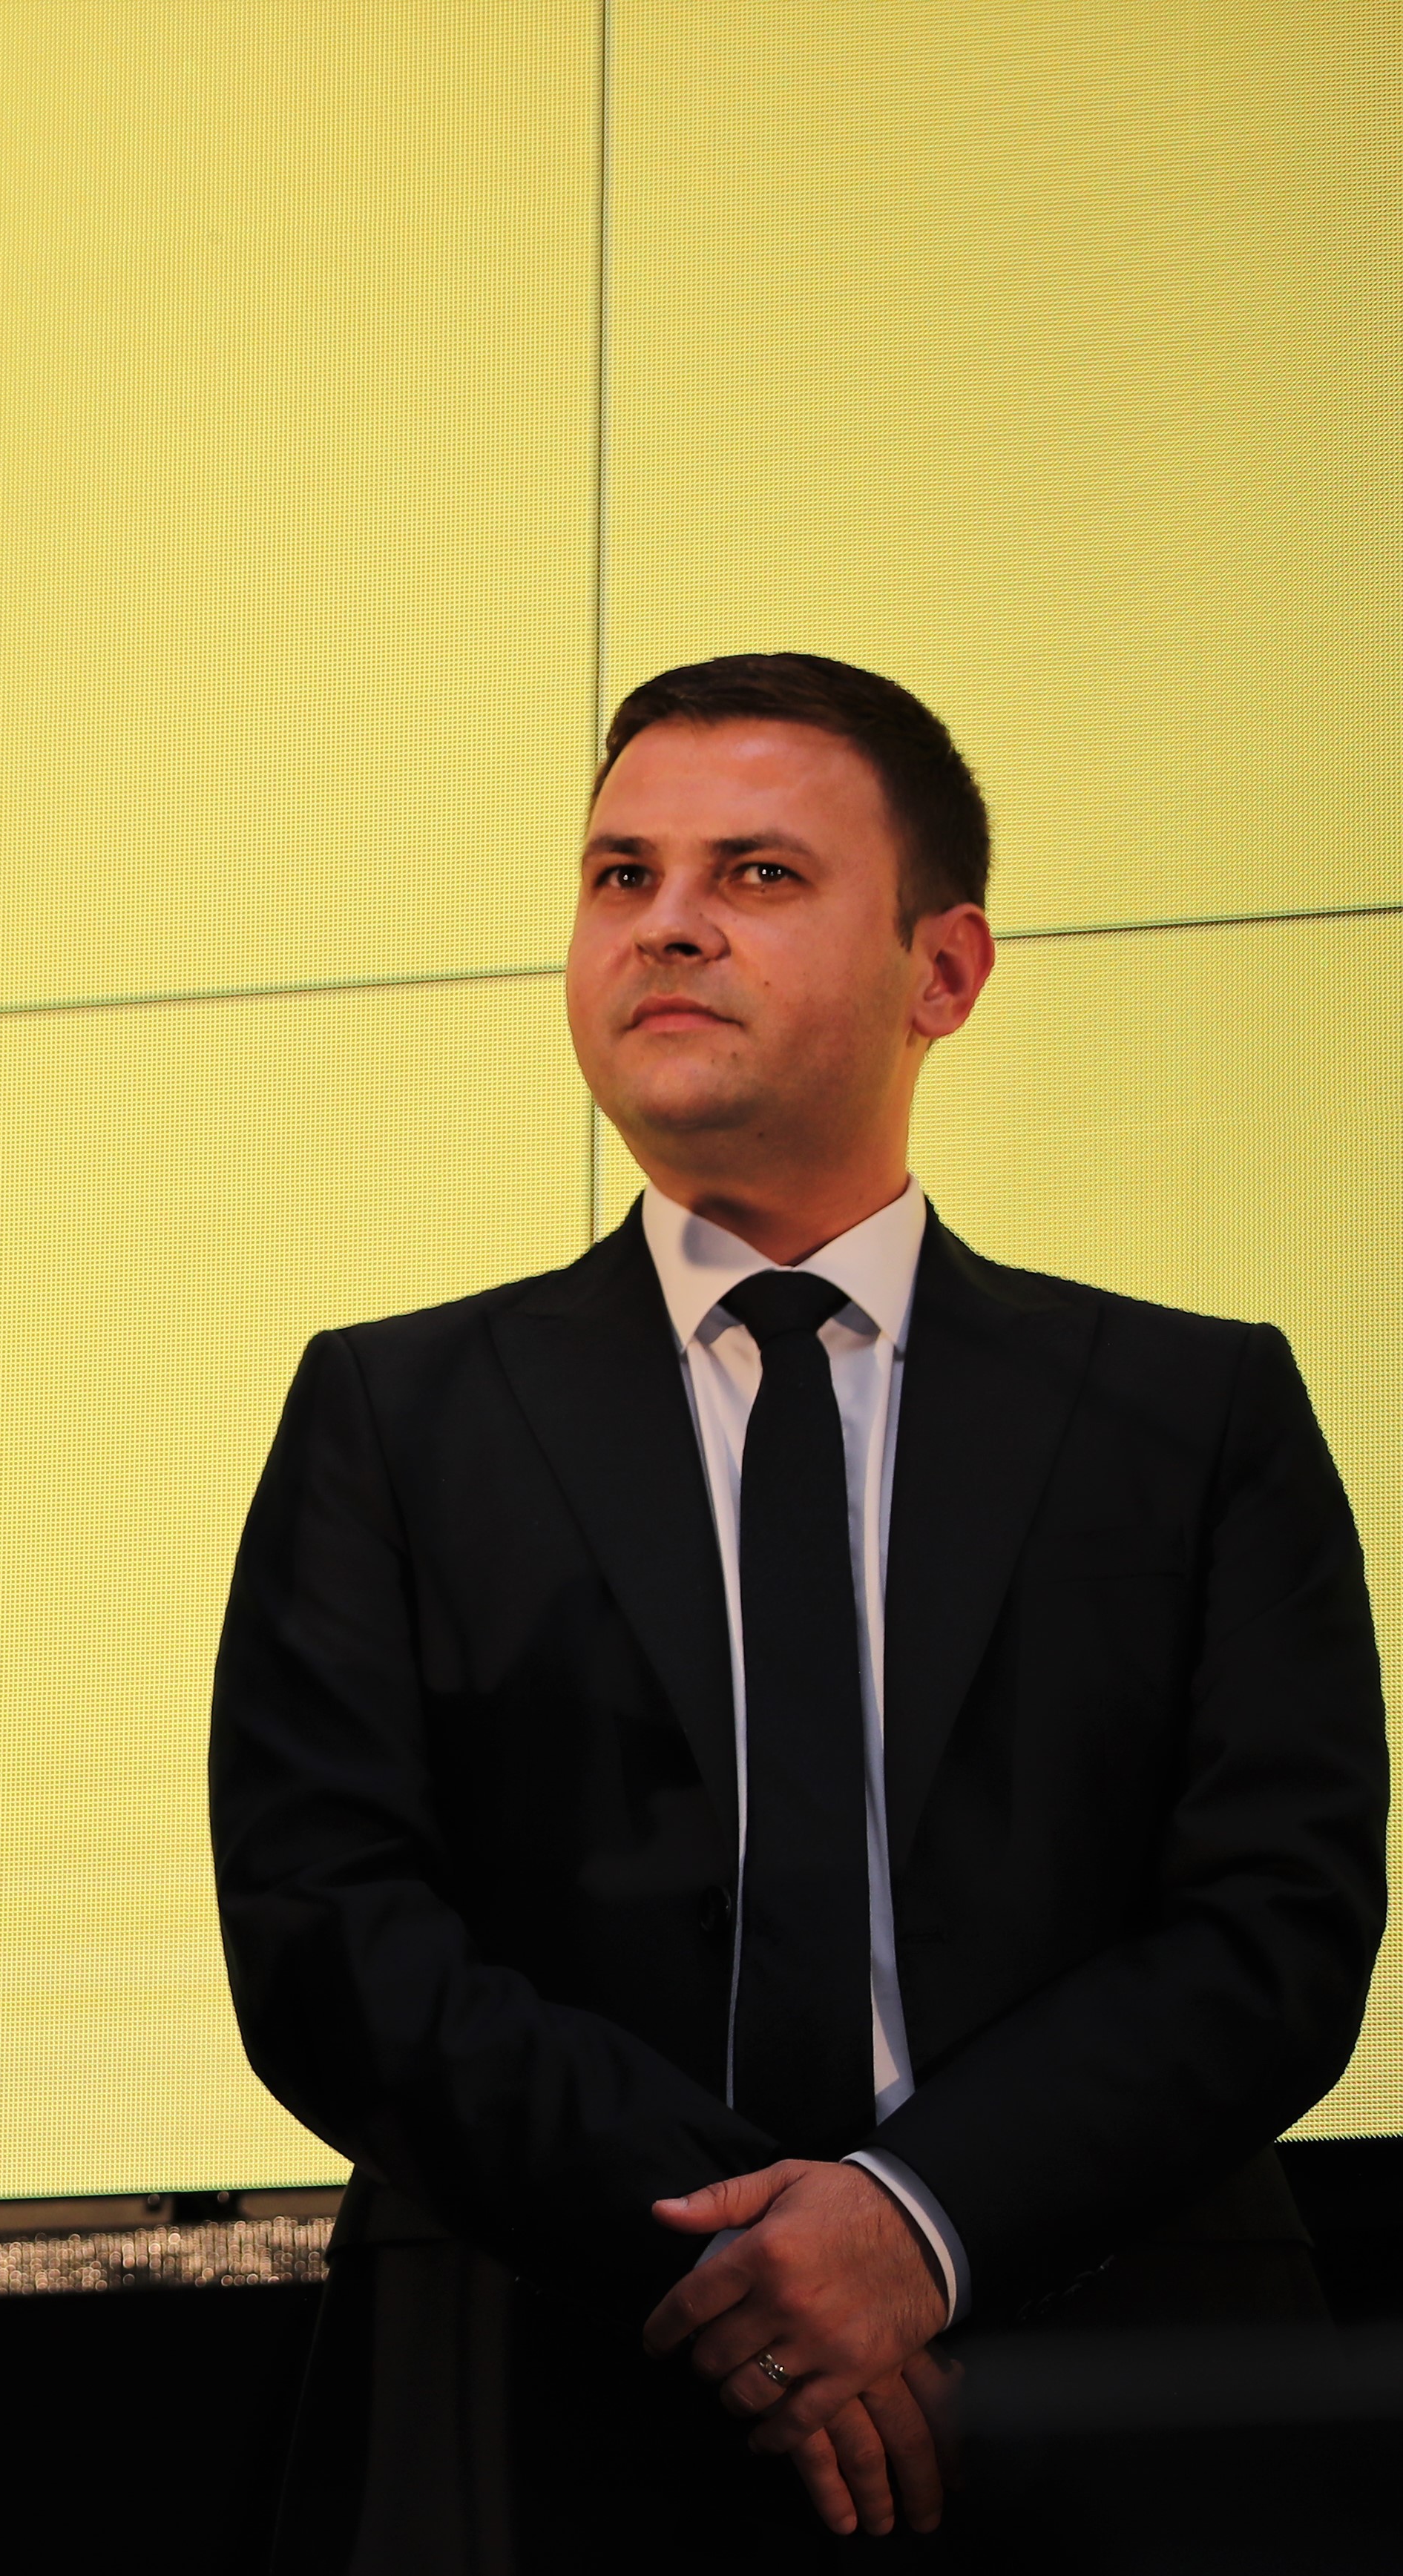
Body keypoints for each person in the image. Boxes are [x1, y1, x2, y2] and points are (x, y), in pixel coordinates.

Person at [213, 653, 1386, 2568]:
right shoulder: (391, 1416)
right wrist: (770, 2275)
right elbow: (326, 1931)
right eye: (619, 875)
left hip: (1102, 2389)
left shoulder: (1190, 1417)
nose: (664, 922)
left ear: (944, 972)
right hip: (543, 2398)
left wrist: (916, 2227)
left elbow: (1274, 1927)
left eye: (753, 874)